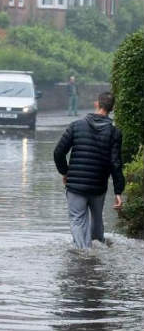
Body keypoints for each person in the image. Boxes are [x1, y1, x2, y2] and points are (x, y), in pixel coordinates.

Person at [53, 91, 125, 249]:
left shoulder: (76, 126)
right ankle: (98, 247)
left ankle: (84, 253)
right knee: (97, 218)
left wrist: (65, 172)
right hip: (98, 187)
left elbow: (58, 152)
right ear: (112, 109)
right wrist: (118, 191)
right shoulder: (115, 133)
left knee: (77, 219)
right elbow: (115, 163)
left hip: (76, 186)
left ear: (97, 104)